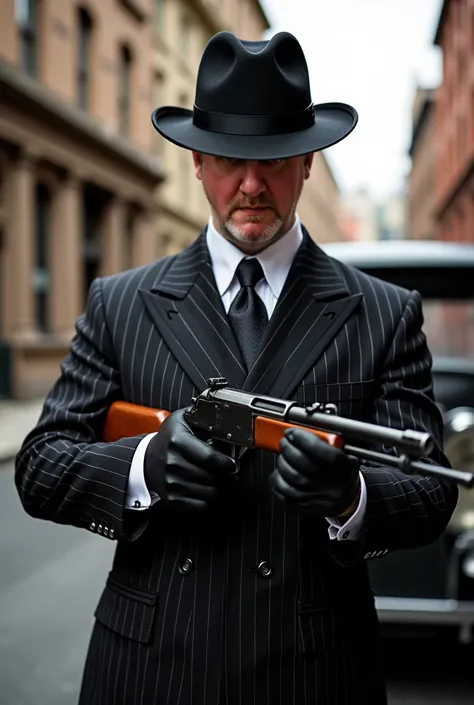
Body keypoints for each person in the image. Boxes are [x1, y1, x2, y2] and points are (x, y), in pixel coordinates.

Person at [15, 31, 457, 705]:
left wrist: (352, 494)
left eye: (274, 160)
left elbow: (430, 494)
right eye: (228, 159)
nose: (250, 185)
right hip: (151, 669)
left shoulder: (384, 312)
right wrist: (145, 466)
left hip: (313, 671)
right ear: (196, 160)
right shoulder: (120, 302)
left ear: (308, 159)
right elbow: (40, 465)